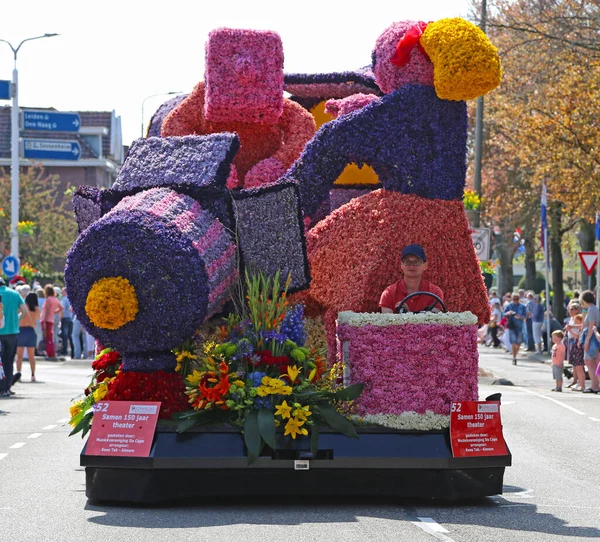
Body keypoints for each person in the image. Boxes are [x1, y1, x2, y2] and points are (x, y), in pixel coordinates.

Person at [379, 244, 444, 314]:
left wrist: (407, 313)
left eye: (416, 262)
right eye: (407, 262)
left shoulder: (435, 292)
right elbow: (387, 323)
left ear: (425, 266)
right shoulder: (389, 293)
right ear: (402, 265)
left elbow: (433, 321)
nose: (411, 266)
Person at [0, 277, 29, 398]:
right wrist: (16, 320)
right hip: (13, 331)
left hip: (0, 333)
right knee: (9, 361)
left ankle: (1, 387)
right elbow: (25, 312)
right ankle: (7, 387)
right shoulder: (14, 293)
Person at [15, 292, 40, 382]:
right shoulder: (37, 309)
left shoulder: (23, 307)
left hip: (21, 331)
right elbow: (37, 318)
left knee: (19, 355)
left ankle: (18, 373)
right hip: (31, 331)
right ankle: (33, 374)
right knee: (31, 356)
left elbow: (17, 314)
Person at [579, 290, 600, 394]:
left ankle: (594, 385)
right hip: (593, 338)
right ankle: (596, 384)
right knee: (594, 361)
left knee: (589, 361)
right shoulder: (593, 309)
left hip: (591, 338)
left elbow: (591, 325)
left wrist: (587, 340)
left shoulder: (591, 310)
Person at [39, 284, 63, 359]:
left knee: (46, 337)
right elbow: (61, 308)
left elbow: (47, 311)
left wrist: (45, 320)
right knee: (50, 337)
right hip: (51, 319)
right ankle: (51, 352)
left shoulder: (48, 299)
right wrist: (54, 312)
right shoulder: (55, 299)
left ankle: (49, 352)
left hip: (45, 319)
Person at [503, 293, 527, 365]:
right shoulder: (509, 306)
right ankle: (514, 357)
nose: (515, 301)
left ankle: (515, 355)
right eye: (514, 299)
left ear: (519, 299)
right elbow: (503, 314)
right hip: (511, 326)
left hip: (519, 327)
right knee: (513, 343)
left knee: (518, 343)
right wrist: (508, 313)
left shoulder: (522, 306)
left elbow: (525, 316)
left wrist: (520, 317)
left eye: (516, 299)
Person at [565, 311, 585, 391]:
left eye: (577, 322)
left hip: (578, 347)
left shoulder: (581, 329)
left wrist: (570, 330)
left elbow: (577, 336)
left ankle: (582, 385)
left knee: (579, 367)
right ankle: (579, 383)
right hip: (574, 346)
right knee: (576, 366)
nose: (575, 324)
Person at [60, 287, 74, 359]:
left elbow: (62, 309)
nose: (61, 293)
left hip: (65, 318)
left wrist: (60, 318)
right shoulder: (71, 299)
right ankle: (73, 351)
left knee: (64, 336)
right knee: (70, 335)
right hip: (70, 319)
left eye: (62, 291)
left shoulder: (64, 299)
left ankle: (64, 350)